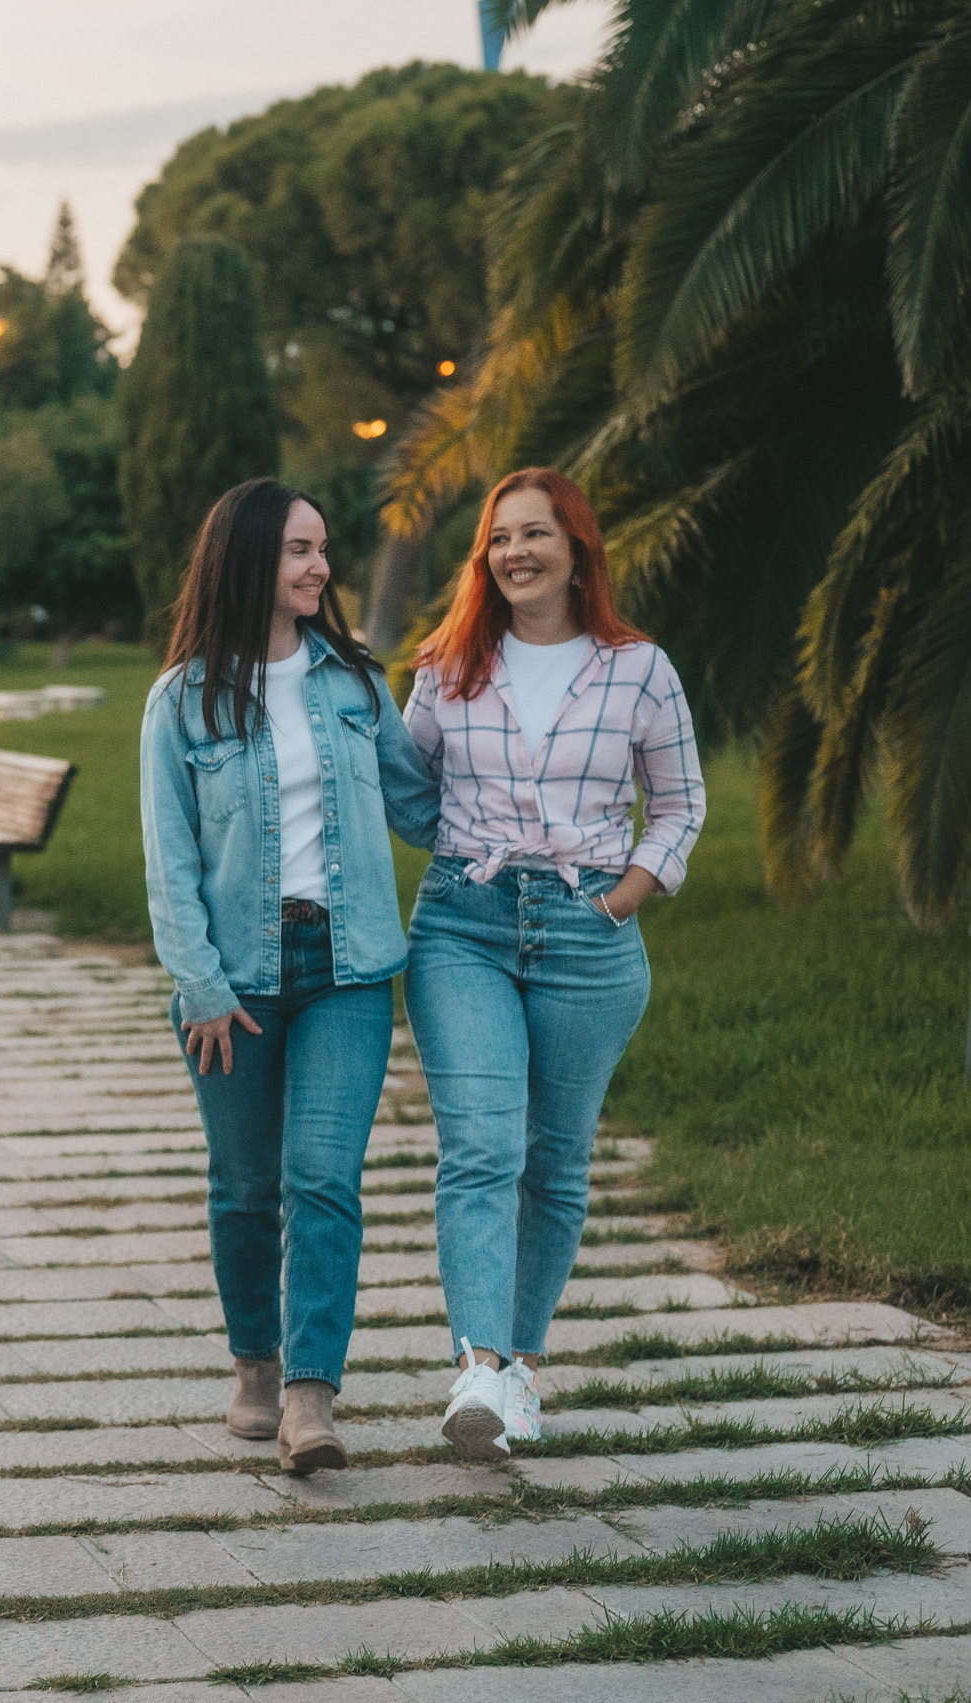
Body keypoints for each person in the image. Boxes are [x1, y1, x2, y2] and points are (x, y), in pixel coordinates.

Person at [403, 467, 705, 1461]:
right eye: (499, 538)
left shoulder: (637, 668)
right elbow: (408, 791)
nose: (514, 552)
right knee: (484, 1146)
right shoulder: (446, 666)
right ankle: (480, 1366)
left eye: (535, 534)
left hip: (587, 936)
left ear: (578, 549)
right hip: (463, 926)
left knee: (556, 1159)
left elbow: (681, 802)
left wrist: (621, 896)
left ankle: (523, 1368)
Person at [141, 479, 439, 1474]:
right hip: (233, 982)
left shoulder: (354, 681)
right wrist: (201, 985)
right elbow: (168, 859)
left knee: (322, 1178)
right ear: (246, 560)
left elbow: (419, 807)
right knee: (243, 1187)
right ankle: (255, 1365)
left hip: (346, 967)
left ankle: (312, 1395)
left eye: (322, 549)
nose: (319, 566)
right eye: (297, 550)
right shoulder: (181, 700)